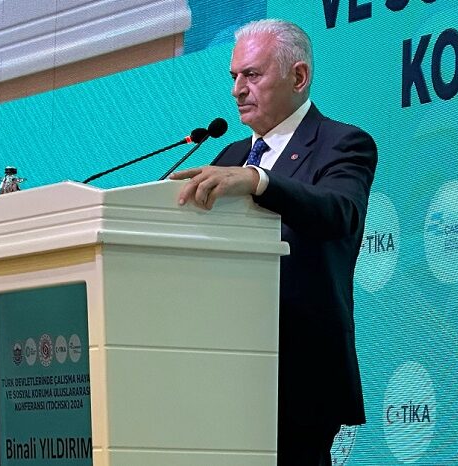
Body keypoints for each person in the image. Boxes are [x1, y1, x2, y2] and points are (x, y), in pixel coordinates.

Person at [170, 19, 377, 466]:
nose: (237, 90)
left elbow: (339, 212)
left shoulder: (343, 144)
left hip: (299, 374)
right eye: (234, 77)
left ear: (298, 77)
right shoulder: (227, 156)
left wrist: (259, 180)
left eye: (252, 75)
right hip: (219, 371)